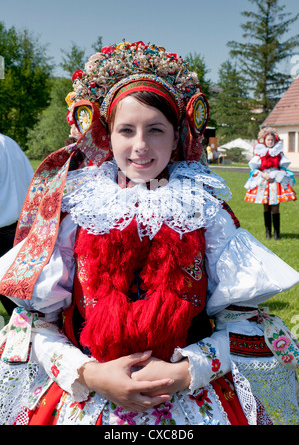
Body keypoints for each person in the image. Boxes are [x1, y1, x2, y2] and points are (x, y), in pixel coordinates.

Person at [0, 41, 298, 426]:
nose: (140, 146)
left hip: (189, 402)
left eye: (155, 130)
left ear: (177, 137)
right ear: (107, 136)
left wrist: (187, 372)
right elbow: (32, 327)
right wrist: (90, 374)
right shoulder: (75, 213)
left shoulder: (207, 214)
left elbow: (246, 330)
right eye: (127, 130)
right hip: (89, 399)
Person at [0, 134, 33, 315]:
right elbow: (32, 181)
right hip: (19, 230)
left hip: (9, 230)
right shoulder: (10, 143)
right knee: (20, 306)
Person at [244, 127, 297, 240]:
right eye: (268, 140)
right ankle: (268, 233)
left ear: (275, 141)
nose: (270, 142)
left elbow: (283, 166)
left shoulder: (278, 153)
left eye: (272, 140)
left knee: (275, 207)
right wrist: (263, 174)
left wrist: (280, 172)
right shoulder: (260, 154)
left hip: (275, 181)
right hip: (264, 181)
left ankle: (277, 233)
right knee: (266, 207)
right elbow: (254, 168)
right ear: (264, 141)